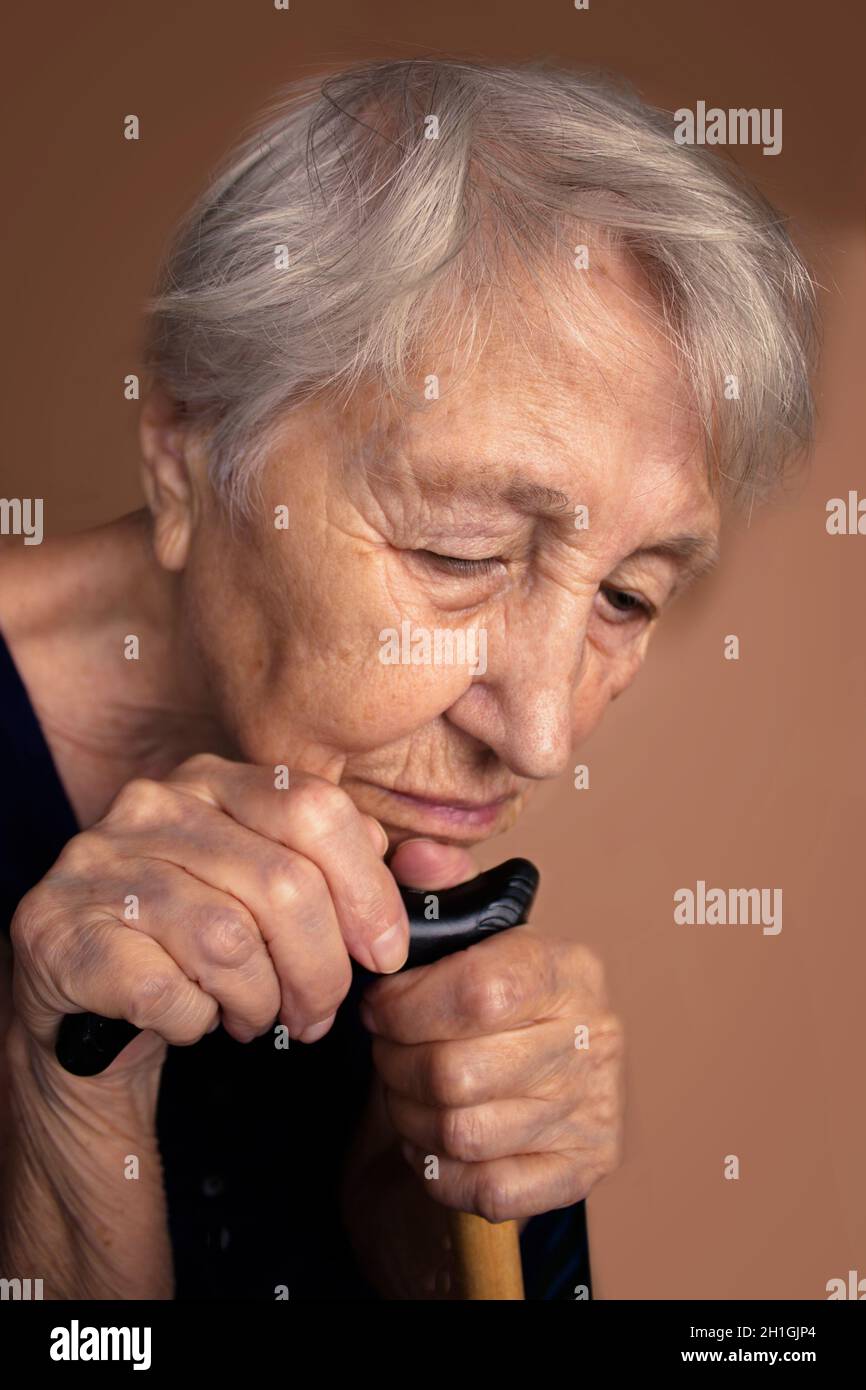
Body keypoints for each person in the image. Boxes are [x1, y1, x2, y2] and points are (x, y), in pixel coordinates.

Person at [0, 58, 816, 1300]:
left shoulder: (404, 842)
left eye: (626, 595)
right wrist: (63, 1110)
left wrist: (418, 1227)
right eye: (460, 554)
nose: (541, 734)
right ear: (185, 441)